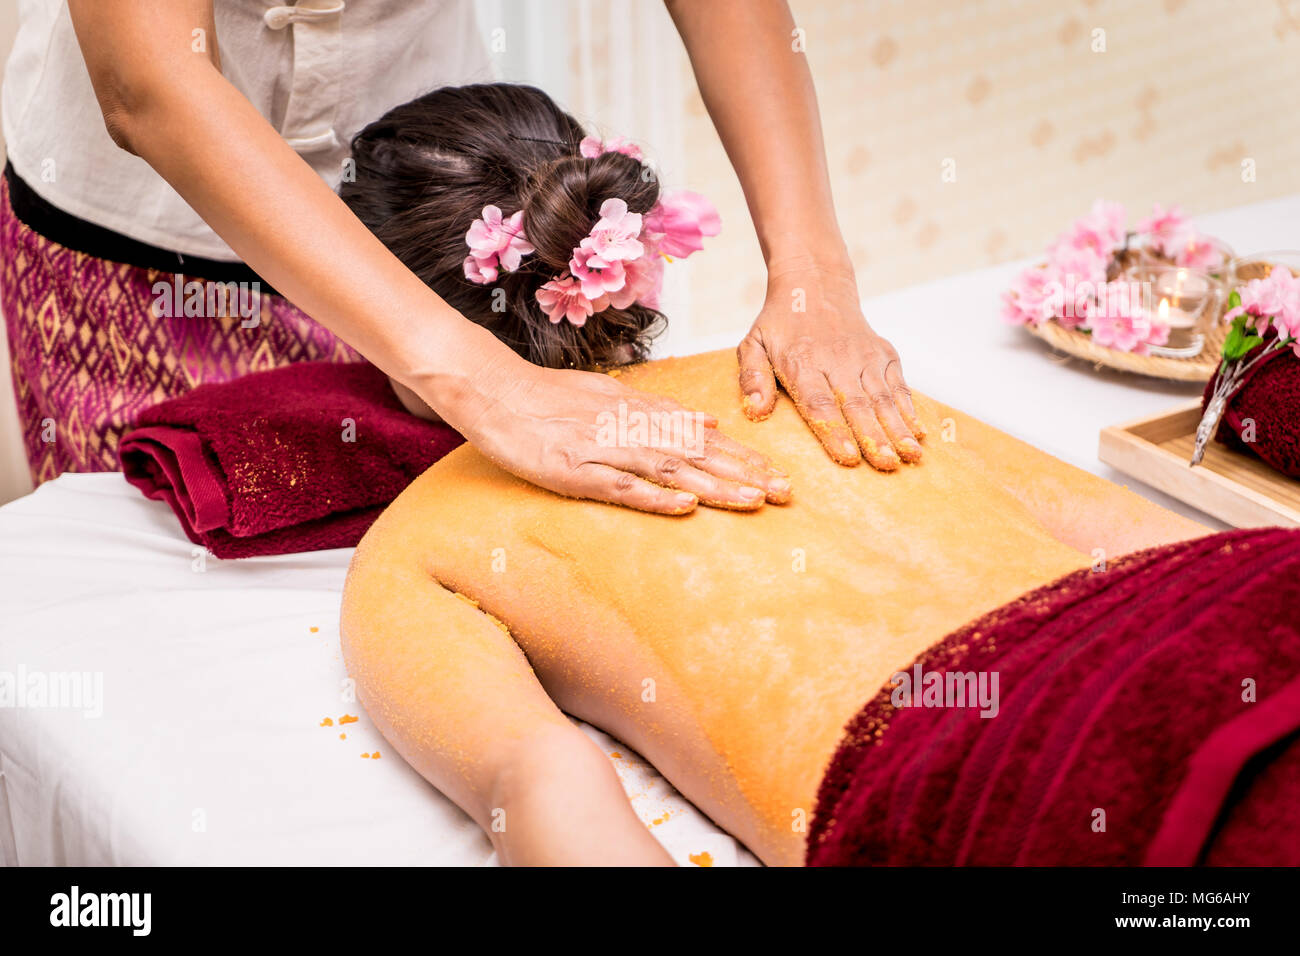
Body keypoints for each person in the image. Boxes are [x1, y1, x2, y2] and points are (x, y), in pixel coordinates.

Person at [331, 81, 1214, 865]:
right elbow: (1180, 556)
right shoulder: (825, 374)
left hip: (985, 785)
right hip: (1223, 650)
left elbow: (547, 791)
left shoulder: (423, 537)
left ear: (379, 317)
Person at [1, 0, 921, 508]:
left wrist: (812, 275)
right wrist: (483, 383)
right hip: (143, 250)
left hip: (429, 208)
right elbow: (147, 80)